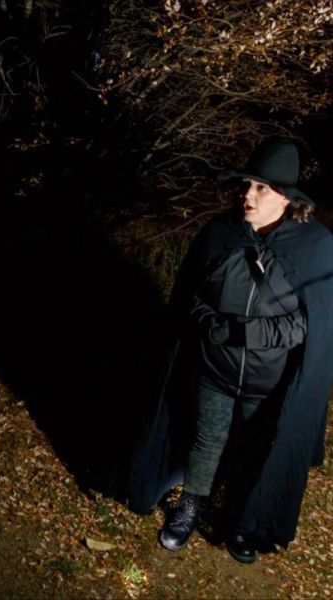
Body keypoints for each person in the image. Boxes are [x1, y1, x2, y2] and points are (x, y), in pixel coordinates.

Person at [128, 138, 333, 563]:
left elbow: (309, 325)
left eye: (261, 188)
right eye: (247, 184)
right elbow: (192, 298)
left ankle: (241, 520)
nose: (247, 195)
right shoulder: (220, 234)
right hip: (215, 367)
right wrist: (213, 326)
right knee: (207, 440)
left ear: (286, 198)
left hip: (269, 379)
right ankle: (191, 506)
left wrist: (247, 334)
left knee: (251, 448)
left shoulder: (315, 249)